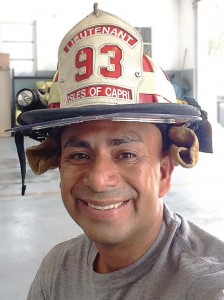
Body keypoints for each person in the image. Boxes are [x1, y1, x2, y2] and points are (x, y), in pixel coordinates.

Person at [8, 3, 224, 299]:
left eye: (126, 154)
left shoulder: (205, 285)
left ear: (163, 172)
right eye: (80, 155)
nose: (98, 180)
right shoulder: (56, 270)